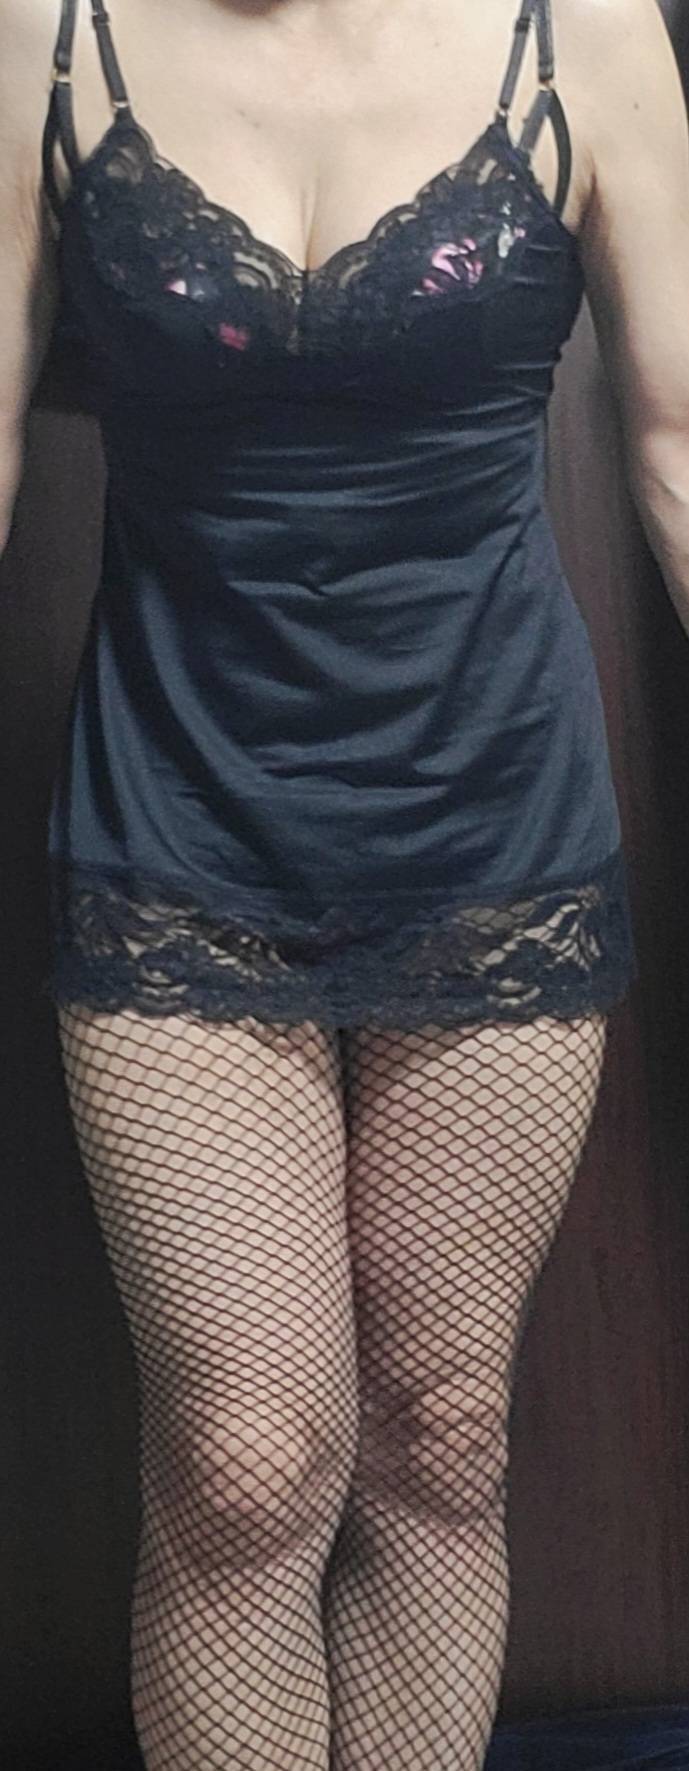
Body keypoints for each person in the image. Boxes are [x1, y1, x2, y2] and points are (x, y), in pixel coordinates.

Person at [2, 0, 688, 1765]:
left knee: (440, 1435)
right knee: (241, 1463)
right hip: (176, 828)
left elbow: (679, 451)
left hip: (496, 833)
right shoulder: (41, 41)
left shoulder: (584, 34)